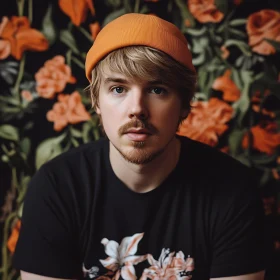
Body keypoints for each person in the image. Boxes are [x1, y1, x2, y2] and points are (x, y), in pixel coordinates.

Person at [13, 13, 267, 280]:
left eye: (157, 90)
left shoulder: (233, 190)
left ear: (183, 104)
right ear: (96, 101)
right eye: (118, 89)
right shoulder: (57, 187)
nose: (137, 109)